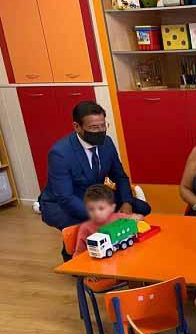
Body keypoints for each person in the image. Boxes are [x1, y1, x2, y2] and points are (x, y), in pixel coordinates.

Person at [39, 101, 150, 259]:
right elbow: (65, 197)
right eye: (93, 128)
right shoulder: (60, 153)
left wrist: (127, 203)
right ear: (77, 127)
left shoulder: (107, 143)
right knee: (82, 226)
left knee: (142, 208)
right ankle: (72, 255)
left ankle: (121, 250)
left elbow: (119, 176)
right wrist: (103, 216)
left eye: (103, 126)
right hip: (60, 203)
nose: (100, 131)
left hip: (96, 197)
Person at [74, 184, 144, 256]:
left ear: (112, 207)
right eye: (91, 209)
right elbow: (78, 255)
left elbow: (140, 217)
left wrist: (137, 217)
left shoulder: (118, 217)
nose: (96, 213)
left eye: (101, 208)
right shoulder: (85, 228)